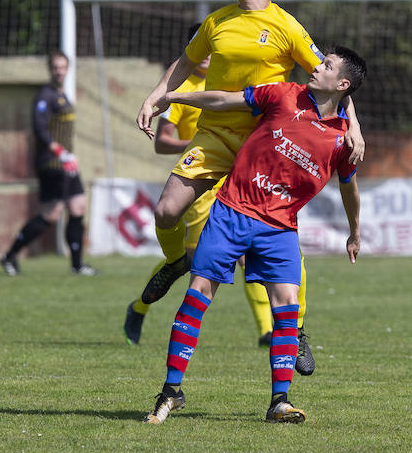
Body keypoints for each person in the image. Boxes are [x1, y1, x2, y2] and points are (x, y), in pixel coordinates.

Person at [132, 0, 365, 370]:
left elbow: (335, 83)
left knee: (280, 233)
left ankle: (295, 330)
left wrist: (356, 128)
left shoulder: (287, 28)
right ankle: (175, 261)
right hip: (215, 134)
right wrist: (155, 97)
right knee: (166, 212)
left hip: (265, 143)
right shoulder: (217, 21)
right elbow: (185, 62)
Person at [142, 45, 365, 425]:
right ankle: (170, 392)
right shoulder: (284, 93)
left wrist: (355, 232)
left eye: (326, 65)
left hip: (280, 228)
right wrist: (173, 95)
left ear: (342, 83)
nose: (316, 66)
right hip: (231, 211)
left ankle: (280, 401)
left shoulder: (344, 140)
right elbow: (225, 99)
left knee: (287, 310)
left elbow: (349, 187)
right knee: (198, 295)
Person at [123, 43, 277, 350]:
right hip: (202, 179)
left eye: (212, 49)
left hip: (236, 180)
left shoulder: (234, 85)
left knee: (247, 255)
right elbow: (162, 142)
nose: (208, 54)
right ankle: (139, 306)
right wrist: (206, 142)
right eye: (201, 49)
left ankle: (266, 331)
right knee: (191, 260)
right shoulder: (186, 91)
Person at [0, 51, 96, 276]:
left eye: (62, 67)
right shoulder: (45, 96)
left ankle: (77, 265)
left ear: (68, 69)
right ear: (49, 69)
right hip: (51, 163)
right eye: (55, 67)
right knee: (51, 214)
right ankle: (10, 255)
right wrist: (60, 152)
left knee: (78, 206)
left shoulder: (62, 95)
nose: (59, 71)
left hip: (67, 163)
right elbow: (40, 129)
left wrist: (69, 155)